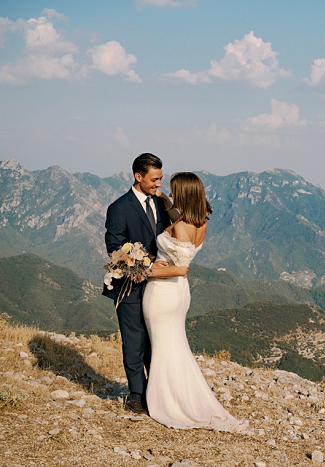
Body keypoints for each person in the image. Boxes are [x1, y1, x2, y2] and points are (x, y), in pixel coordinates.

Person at [143, 172, 248, 432]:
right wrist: (163, 198)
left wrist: (143, 271)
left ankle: (168, 402)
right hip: (180, 295)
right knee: (175, 346)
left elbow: (180, 269)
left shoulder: (179, 227)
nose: (171, 194)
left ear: (184, 194)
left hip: (163, 292)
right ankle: (185, 397)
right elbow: (176, 215)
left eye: (173, 190)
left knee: (163, 348)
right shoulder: (200, 224)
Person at [103, 153, 179, 415]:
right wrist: (144, 267)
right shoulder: (119, 208)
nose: (159, 183)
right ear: (138, 176)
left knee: (155, 340)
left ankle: (156, 391)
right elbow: (115, 249)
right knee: (134, 340)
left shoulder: (159, 203)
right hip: (130, 287)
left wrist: (166, 200)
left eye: (160, 178)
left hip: (158, 288)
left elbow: (177, 227)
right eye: (154, 179)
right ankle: (137, 395)